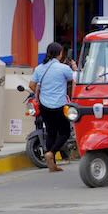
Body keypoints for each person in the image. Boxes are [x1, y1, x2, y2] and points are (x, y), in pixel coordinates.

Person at [29, 42, 77, 172]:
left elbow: (32, 85)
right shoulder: (63, 68)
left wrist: (42, 94)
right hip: (59, 105)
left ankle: (52, 164)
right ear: (60, 53)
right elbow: (76, 79)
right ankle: (52, 153)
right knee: (65, 133)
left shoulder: (39, 68)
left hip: (44, 106)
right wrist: (74, 68)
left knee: (51, 132)